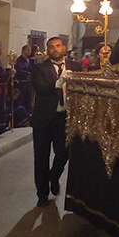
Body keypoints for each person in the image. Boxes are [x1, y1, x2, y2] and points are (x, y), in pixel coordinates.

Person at [32, 36, 82, 207]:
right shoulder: (39, 68)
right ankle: (42, 194)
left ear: (64, 48)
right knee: (41, 157)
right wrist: (57, 82)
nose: (55, 49)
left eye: (58, 46)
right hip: (43, 118)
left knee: (63, 152)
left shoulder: (75, 67)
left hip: (65, 117)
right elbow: (39, 88)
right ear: (47, 50)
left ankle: (54, 176)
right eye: (51, 47)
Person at [14, 44, 34, 115]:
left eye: (30, 50)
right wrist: (28, 74)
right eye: (28, 50)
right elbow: (20, 71)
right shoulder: (19, 60)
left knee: (28, 101)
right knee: (22, 101)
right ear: (23, 50)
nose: (29, 51)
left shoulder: (27, 60)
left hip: (28, 85)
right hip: (22, 85)